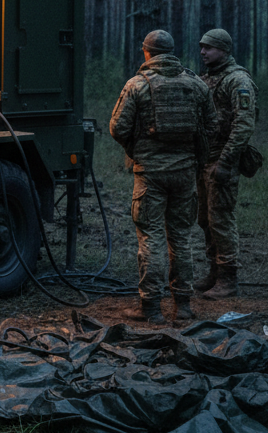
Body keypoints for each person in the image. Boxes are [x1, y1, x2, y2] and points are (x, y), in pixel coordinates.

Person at [109, 29, 216, 324]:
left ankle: (151, 308)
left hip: (151, 174)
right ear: (171, 52)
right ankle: (182, 307)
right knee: (181, 238)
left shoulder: (137, 85)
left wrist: (138, 148)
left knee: (151, 238)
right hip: (184, 173)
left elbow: (117, 128)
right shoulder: (196, 84)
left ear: (147, 53)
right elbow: (211, 126)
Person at [195, 28, 257, 300]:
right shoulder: (206, 78)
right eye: (202, 47)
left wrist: (226, 161)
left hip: (222, 159)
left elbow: (243, 125)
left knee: (221, 219)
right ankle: (214, 272)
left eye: (209, 47)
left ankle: (228, 279)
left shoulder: (238, 80)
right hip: (204, 158)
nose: (203, 52)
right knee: (205, 219)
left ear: (223, 49)